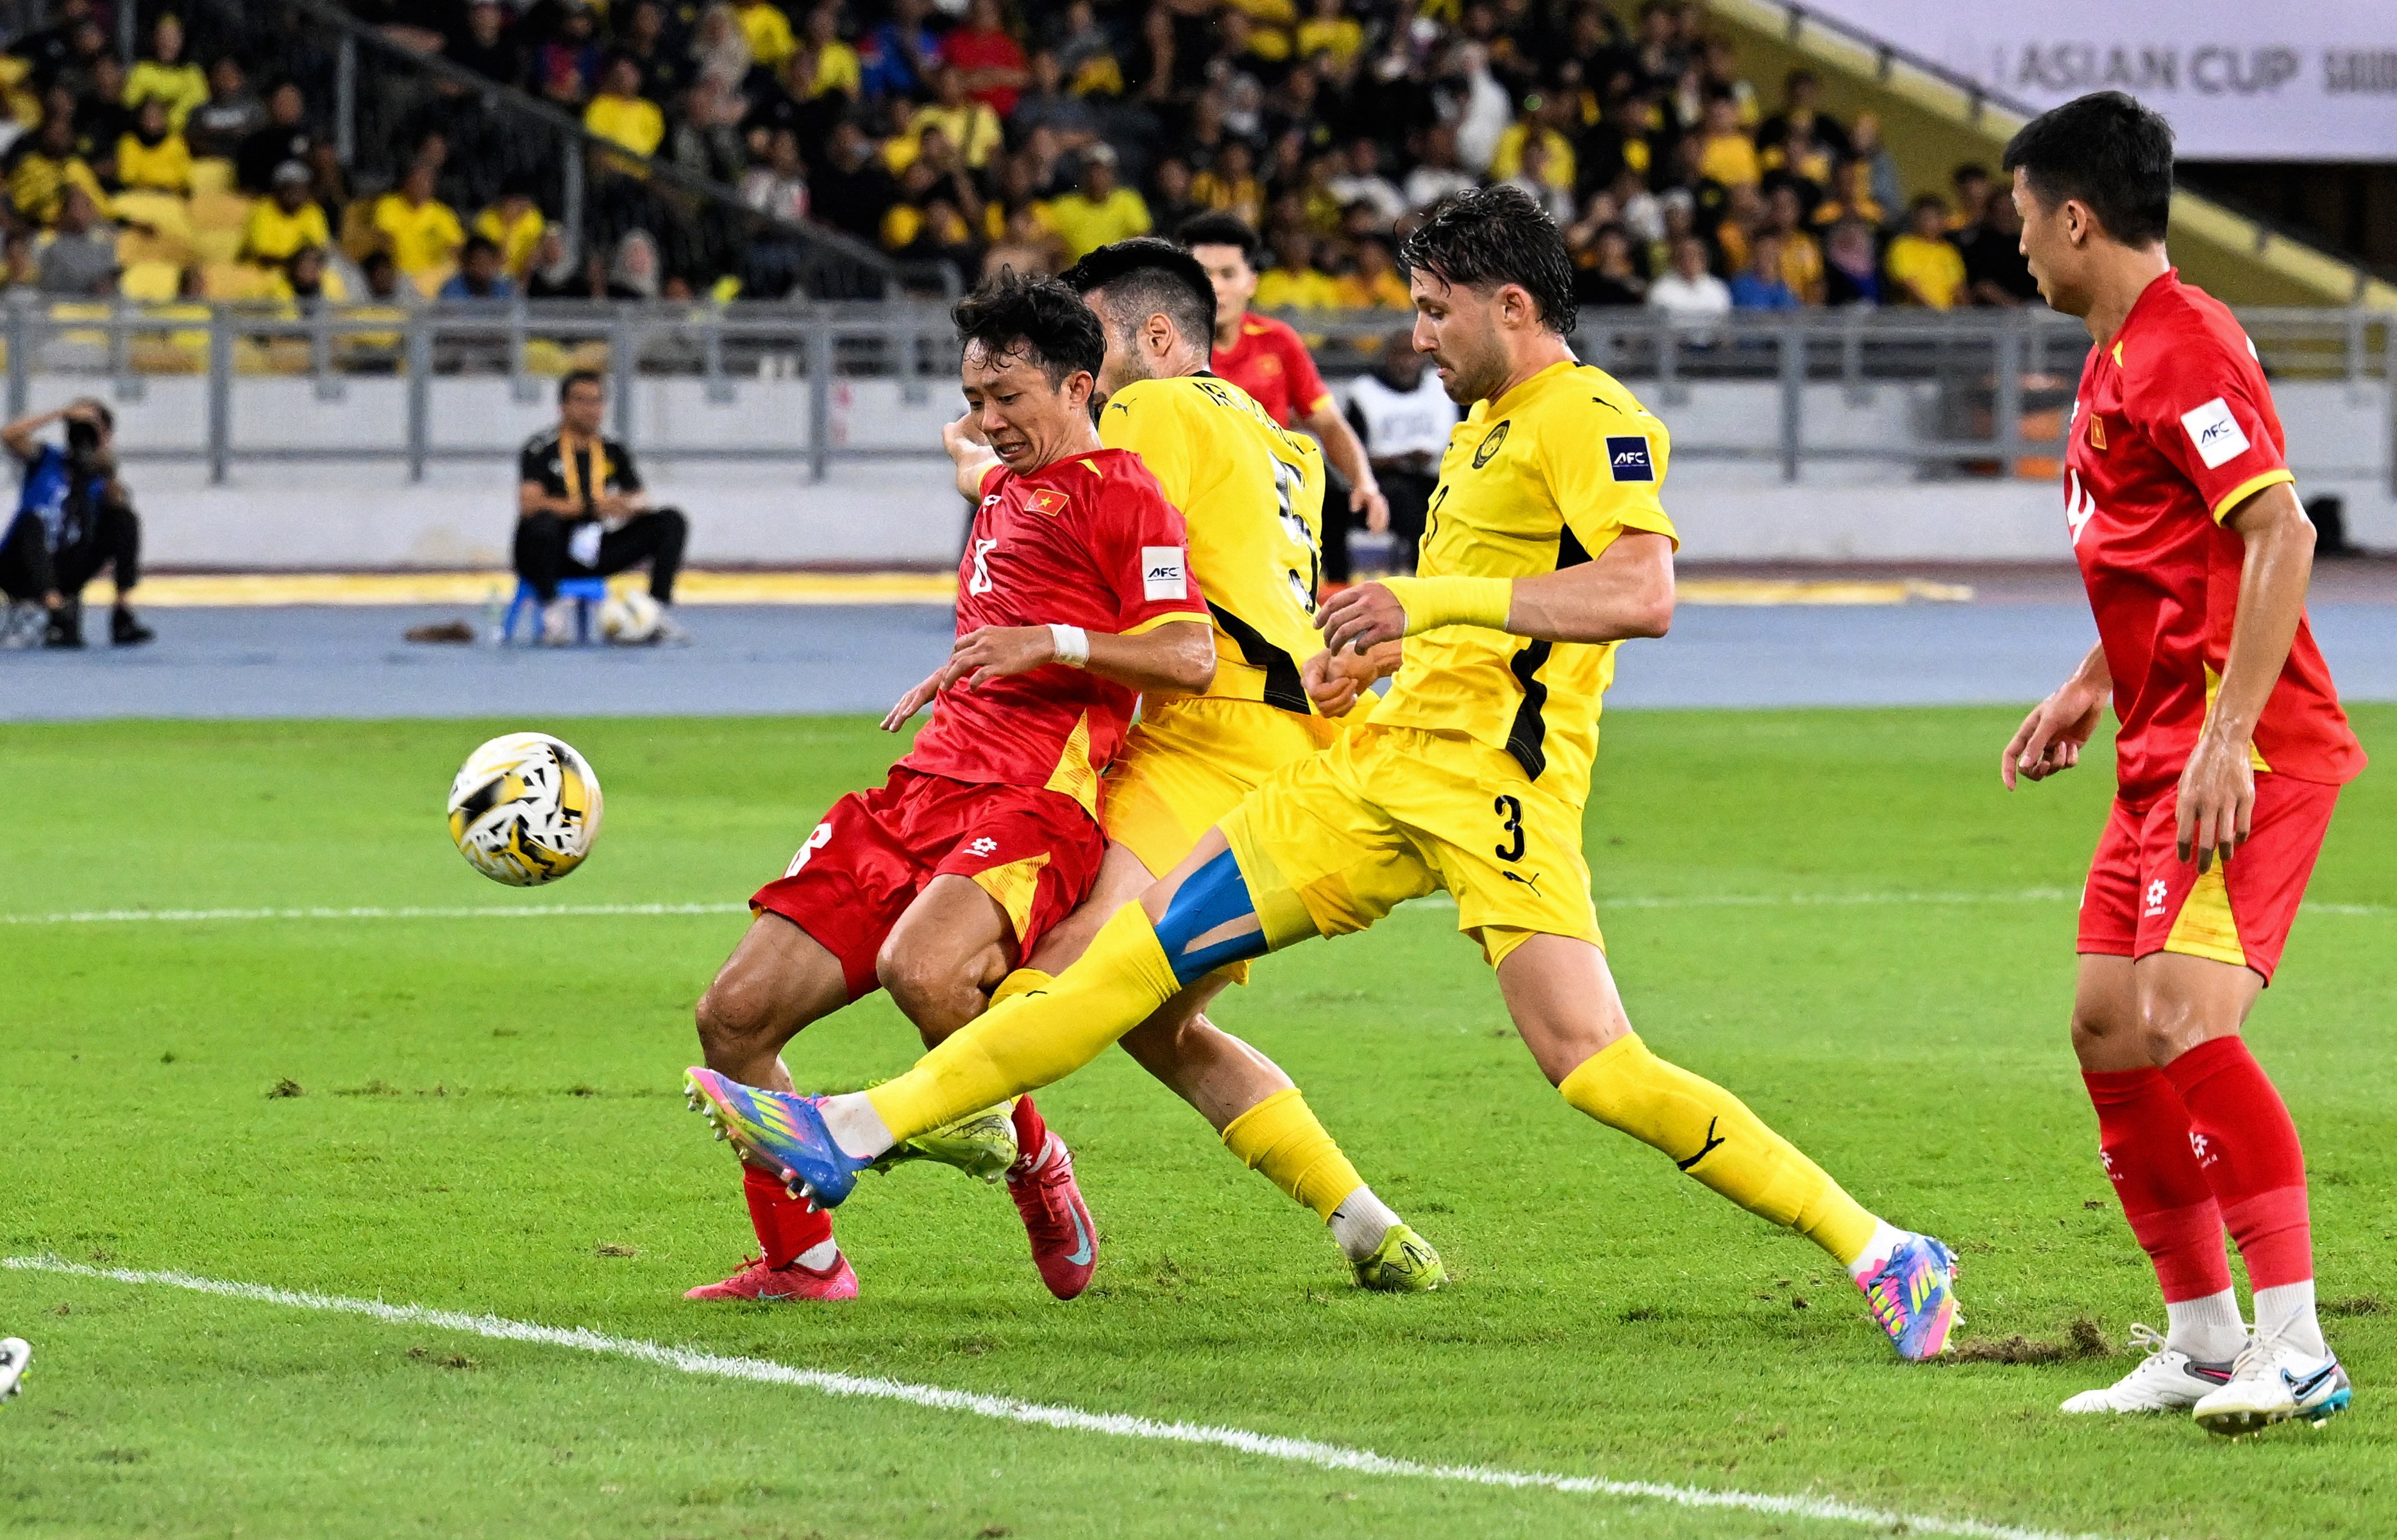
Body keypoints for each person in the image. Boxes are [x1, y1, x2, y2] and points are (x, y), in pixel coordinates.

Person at [691, 188, 1963, 1364]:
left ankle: (1885, 1251)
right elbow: (1471, 630)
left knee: (1594, 1064)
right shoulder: (1480, 435)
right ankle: (853, 1130)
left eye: (1431, 309)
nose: (1414, 339)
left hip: (1494, 804)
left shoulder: (1592, 415)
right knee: (1133, 963)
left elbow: (1643, 593)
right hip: (1363, 780)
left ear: (1508, 306)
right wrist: (1378, 662)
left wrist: (1420, 597)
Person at [682, 272, 1216, 1302]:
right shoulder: (1012, 479)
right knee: (734, 1016)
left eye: (1008, 398)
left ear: (1077, 383)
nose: (988, 420)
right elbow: (980, 459)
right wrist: (979, 446)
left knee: (924, 971)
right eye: (976, 398)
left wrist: (1045, 644)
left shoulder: (1130, 495)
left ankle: (1034, 1167)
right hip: (921, 788)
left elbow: (1190, 655)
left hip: (1033, 803)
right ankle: (805, 1264)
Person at [934, 238, 1445, 1287]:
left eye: (1091, 342)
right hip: (1293, 751)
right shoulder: (1273, 439)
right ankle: (1368, 1227)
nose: (1077, 369)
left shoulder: (1152, 411)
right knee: (1160, 1022)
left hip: (1208, 739)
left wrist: (977, 464)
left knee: (1060, 973)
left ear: (1155, 339)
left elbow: (1067, 491)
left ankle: (867, 1129)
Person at [1997, 91, 2365, 1433]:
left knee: (2183, 1019)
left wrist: (2222, 737)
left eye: (2025, 216)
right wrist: (2093, 681)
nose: (2019, 242)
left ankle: (2300, 1345)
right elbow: (2174, 556)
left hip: (2244, 750)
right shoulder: (2115, 357)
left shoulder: (2184, 345)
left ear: (2076, 216)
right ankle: (2207, 1343)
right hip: (2160, 746)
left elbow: (2281, 538)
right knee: (2109, 1022)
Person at [1176, 212, 1386, 586]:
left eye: (1227, 274)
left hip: (1273, 502)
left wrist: (1364, 482)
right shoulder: (1166, 348)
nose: (1215, 287)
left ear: (1251, 282)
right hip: (1192, 503)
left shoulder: (1279, 341)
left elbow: (1328, 423)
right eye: (1203, 274)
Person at [514, 372, 691, 644]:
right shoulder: (540, 448)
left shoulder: (612, 449)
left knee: (671, 521)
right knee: (543, 523)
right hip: (546, 553)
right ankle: (551, 614)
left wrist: (625, 506)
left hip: (591, 548)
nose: (592, 409)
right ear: (563, 406)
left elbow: (640, 499)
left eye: (597, 402)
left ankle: (651, 612)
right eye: (582, 401)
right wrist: (591, 507)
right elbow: (529, 504)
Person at [0, 399, 151, 649]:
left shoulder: (101, 476)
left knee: (125, 519)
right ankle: (57, 612)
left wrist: (104, 461)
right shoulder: (46, 458)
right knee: (32, 520)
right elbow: (7, 435)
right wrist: (60, 412)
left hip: (64, 566)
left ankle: (122, 615)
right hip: (17, 566)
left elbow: (119, 507)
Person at [1341, 339, 1458, 574]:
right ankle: (1422, 572)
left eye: (1412, 355)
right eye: (1400, 354)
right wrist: (1400, 458)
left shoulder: (1442, 389)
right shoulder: (1364, 393)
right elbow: (1353, 453)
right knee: (1409, 502)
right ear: (1387, 358)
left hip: (1437, 475)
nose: (1407, 362)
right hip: (1383, 481)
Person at [1885, 194, 1965, 310]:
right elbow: (1907, 284)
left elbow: (1958, 287)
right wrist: (1933, 312)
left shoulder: (1949, 251)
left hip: (1947, 319)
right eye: (1927, 218)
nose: (1933, 223)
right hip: (1915, 317)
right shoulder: (1902, 246)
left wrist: (1966, 316)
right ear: (1915, 219)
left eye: (1938, 217)